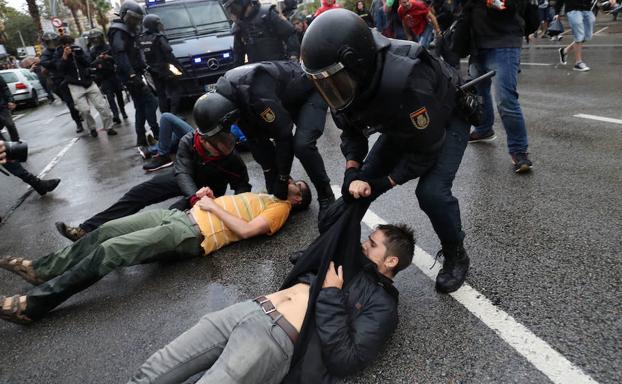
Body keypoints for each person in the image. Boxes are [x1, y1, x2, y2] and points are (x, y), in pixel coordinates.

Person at [301, 9, 471, 293]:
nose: (330, 90)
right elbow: (351, 131)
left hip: (444, 119)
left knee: (431, 193)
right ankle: (328, 250)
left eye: (333, 82)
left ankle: (456, 255)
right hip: (401, 123)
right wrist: (353, 169)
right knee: (355, 190)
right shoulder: (343, 78)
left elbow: (425, 151)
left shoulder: (406, 77)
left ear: (356, 64)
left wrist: (385, 182)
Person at [126, 223, 414, 384]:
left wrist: (331, 294)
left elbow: (347, 359)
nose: (364, 245)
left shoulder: (383, 304)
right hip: (248, 310)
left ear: (391, 261)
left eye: (372, 244)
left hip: (274, 340)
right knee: (153, 371)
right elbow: (336, 221)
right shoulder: (346, 258)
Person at [0, 179, 311, 324]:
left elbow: (244, 231)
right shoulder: (266, 193)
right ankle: (42, 270)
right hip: (177, 216)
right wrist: (210, 197)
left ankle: (33, 306)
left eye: (298, 187)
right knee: (106, 230)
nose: (291, 184)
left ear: (297, 201)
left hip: (190, 233)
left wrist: (212, 206)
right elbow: (233, 212)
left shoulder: (279, 210)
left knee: (111, 251)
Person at [55, 110, 252, 241]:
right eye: (216, 149)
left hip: (210, 194)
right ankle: (86, 229)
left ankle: (117, 238)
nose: (221, 153)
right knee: (138, 193)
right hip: (187, 182)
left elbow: (242, 187)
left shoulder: (230, 157)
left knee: (171, 214)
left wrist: (227, 209)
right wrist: (194, 195)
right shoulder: (188, 141)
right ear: (204, 140)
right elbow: (182, 172)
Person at [194, 61, 336, 216]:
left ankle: (326, 195)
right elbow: (256, 140)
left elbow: (283, 137)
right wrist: (269, 174)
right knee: (260, 141)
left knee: (302, 145)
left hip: (309, 92)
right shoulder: (231, 98)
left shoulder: (254, 93)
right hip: (282, 99)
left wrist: (282, 178)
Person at [467, 0, 533, 173]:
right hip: (476, 42)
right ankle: (483, 129)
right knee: (480, 91)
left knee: (505, 98)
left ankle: (519, 151)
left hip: (504, 42)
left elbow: (514, 6)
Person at [108, 0, 160, 147]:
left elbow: (135, 53)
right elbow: (121, 55)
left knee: (140, 106)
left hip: (135, 72)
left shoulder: (128, 30)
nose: (134, 21)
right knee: (151, 102)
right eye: (132, 18)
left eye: (137, 18)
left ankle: (141, 138)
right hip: (130, 75)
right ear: (124, 15)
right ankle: (156, 132)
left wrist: (147, 68)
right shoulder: (118, 30)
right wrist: (131, 75)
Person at [56, 35, 116, 137]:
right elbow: (60, 69)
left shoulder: (78, 49)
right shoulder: (58, 53)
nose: (69, 46)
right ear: (62, 45)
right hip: (75, 85)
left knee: (102, 106)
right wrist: (65, 57)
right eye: (66, 45)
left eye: (70, 43)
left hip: (88, 82)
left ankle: (109, 127)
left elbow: (88, 62)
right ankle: (92, 128)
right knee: (84, 110)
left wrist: (78, 55)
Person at [224, 0, 300, 66]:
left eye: (233, 8)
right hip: (256, 72)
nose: (232, 12)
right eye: (230, 9)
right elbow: (238, 55)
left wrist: (293, 57)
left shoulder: (268, 14)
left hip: (278, 68)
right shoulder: (239, 26)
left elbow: (290, 33)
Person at [138, 14, 183, 115]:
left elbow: (140, 55)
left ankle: (165, 116)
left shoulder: (141, 38)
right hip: (165, 69)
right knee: (176, 90)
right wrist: (179, 67)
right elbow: (168, 53)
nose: (160, 26)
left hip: (152, 71)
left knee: (161, 94)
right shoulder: (159, 37)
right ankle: (173, 113)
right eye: (157, 24)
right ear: (152, 25)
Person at [40, 32, 84, 133]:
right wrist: (56, 61)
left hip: (72, 77)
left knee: (81, 98)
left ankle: (83, 113)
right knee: (70, 103)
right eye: (49, 42)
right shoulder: (46, 53)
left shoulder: (63, 48)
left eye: (53, 41)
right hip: (60, 80)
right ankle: (78, 123)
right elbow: (44, 62)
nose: (51, 43)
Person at [555, 0, 613, 71]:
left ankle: (564, 51)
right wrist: (556, 12)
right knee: (579, 36)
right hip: (573, 10)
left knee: (587, 36)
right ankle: (578, 63)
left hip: (587, 10)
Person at [88, 28, 128, 125]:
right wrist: (98, 60)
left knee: (119, 95)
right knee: (110, 97)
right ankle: (115, 114)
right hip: (104, 77)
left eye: (97, 38)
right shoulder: (92, 51)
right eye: (93, 39)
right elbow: (90, 64)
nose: (96, 40)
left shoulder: (109, 47)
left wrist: (108, 57)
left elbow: (118, 59)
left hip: (114, 74)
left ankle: (122, 111)